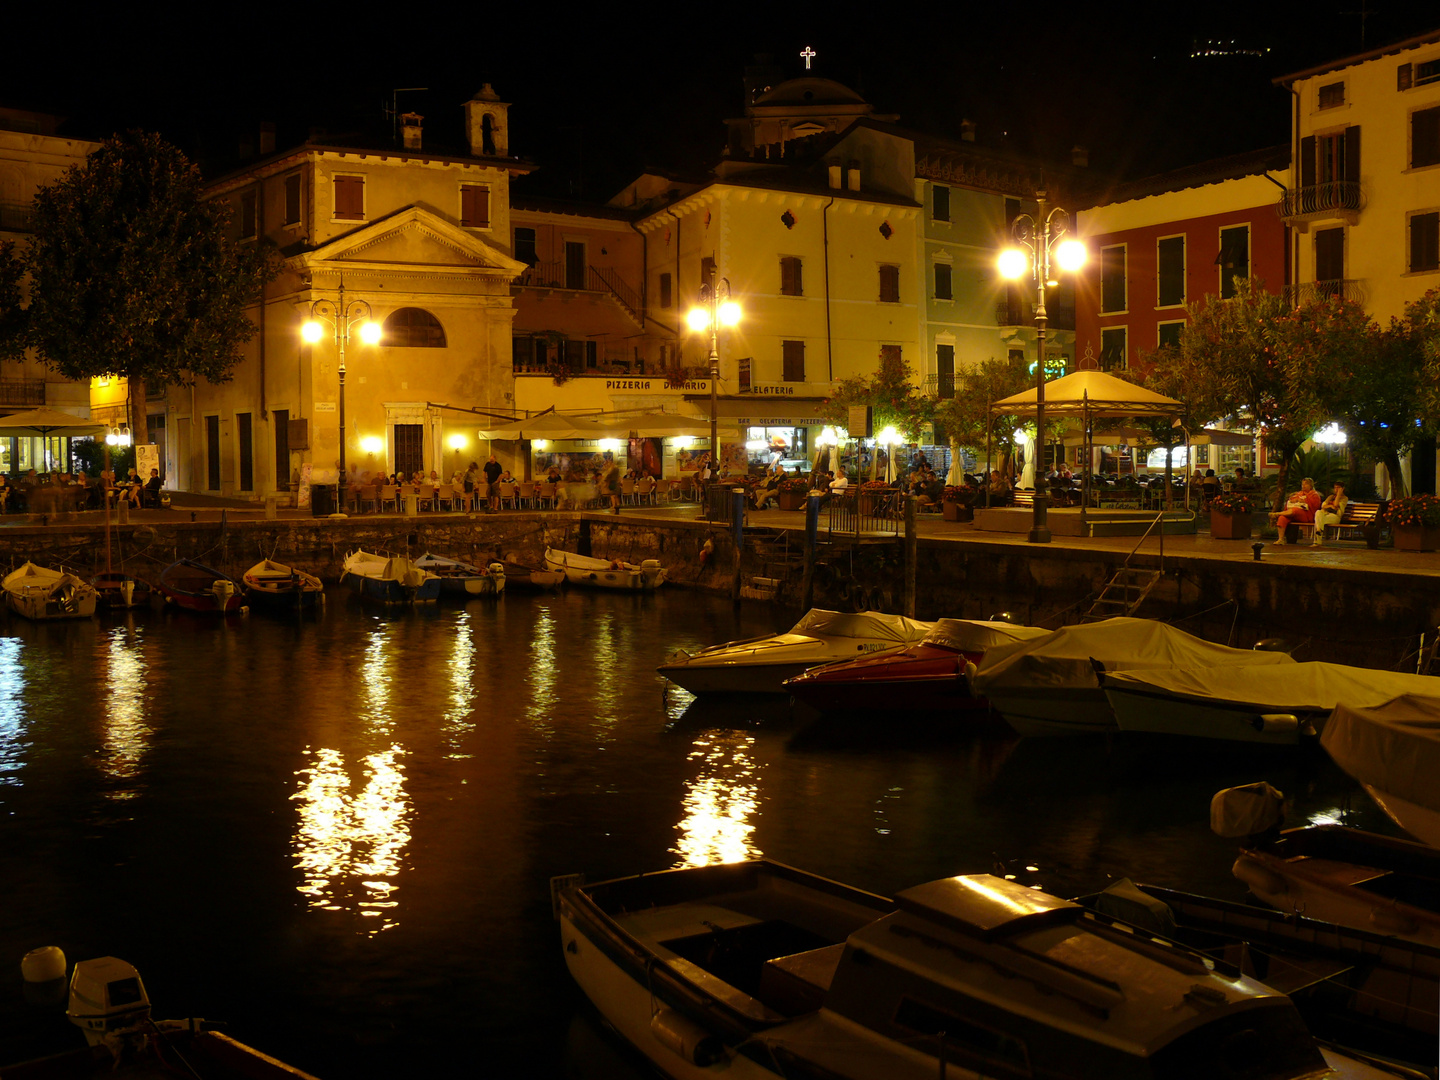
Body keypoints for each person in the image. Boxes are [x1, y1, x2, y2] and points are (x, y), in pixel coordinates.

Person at [1272, 477, 1322, 545]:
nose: (1303, 486)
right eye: (1302, 484)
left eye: (1305, 484)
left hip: (1307, 514)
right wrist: (1294, 500)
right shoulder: (1299, 493)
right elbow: (1291, 500)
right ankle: (1281, 539)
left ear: (1311, 485)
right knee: (1282, 518)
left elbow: (1315, 506)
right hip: (1294, 514)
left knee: (1294, 510)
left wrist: (1304, 501)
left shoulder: (1314, 495)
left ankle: (1278, 513)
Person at [1313, 481, 1349, 545]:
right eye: (1335, 488)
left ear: (1342, 489)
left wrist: (1338, 495)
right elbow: (1323, 506)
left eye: (1338, 488)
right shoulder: (1331, 497)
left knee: (1319, 520)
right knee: (1318, 512)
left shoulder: (1344, 498)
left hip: (1335, 516)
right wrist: (1330, 506)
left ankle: (1317, 541)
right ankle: (1319, 530)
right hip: (1325, 514)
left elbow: (1335, 505)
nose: (1336, 489)